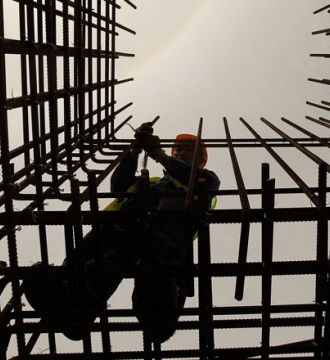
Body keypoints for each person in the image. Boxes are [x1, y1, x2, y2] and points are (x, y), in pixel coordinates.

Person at [24, 124, 220, 343]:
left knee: (160, 272)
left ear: (199, 159)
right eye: (179, 150)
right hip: (123, 222)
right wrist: (133, 152)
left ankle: (159, 314)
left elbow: (201, 182)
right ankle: (78, 306)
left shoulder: (206, 178)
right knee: (103, 260)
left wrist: (158, 154)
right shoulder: (152, 181)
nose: (182, 152)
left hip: (169, 227)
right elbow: (119, 187)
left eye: (188, 150)